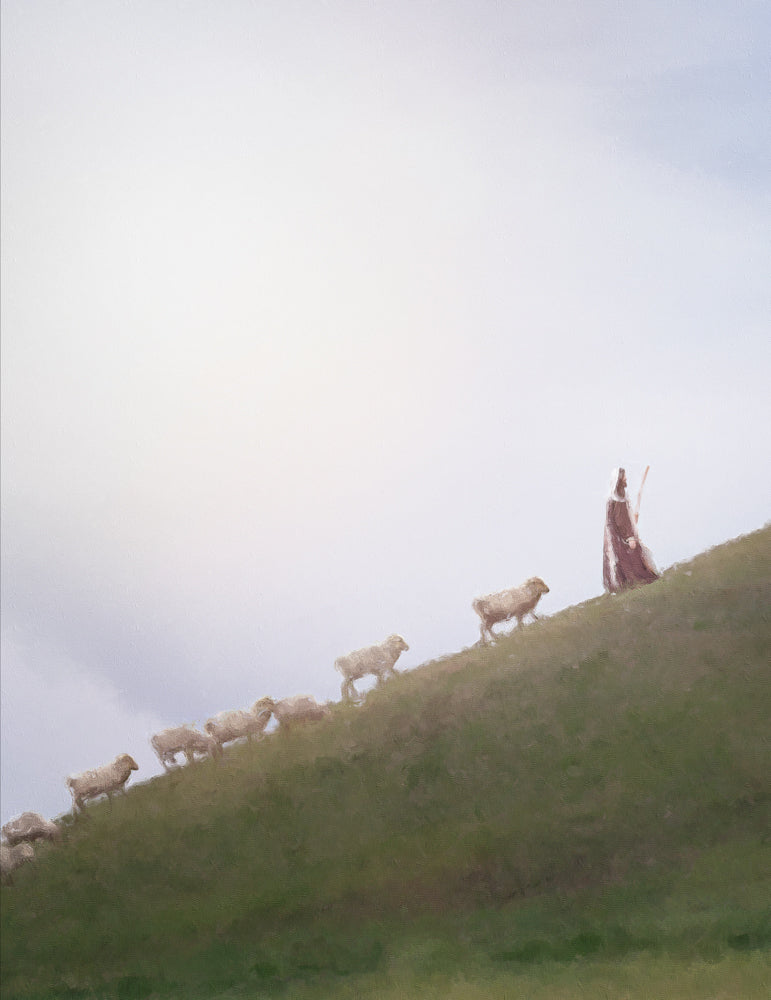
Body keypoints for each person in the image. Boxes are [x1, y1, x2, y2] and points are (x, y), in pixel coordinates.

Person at [602, 467, 659, 593]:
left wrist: (633, 520)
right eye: (624, 477)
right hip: (620, 537)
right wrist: (629, 537)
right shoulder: (617, 499)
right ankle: (635, 582)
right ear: (619, 480)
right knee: (631, 557)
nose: (626, 478)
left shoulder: (618, 496)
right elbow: (620, 520)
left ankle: (630, 584)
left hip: (618, 536)